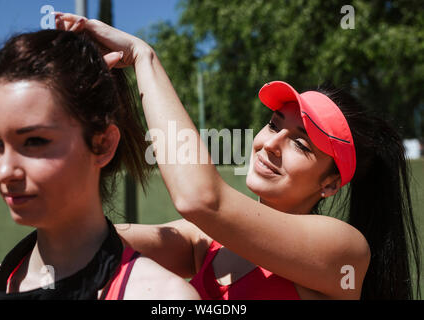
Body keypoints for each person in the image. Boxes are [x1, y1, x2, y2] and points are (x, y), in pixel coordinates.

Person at [55, 13, 421, 300]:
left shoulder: (345, 250)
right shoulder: (205, 240)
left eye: (301, 144)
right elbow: (87, 244)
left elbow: (200, 198)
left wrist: (143, 58)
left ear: (330, 184)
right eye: (274, 125)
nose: (271, 144)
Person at [0, 29, 199, 300]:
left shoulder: (160, 296)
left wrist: (143, 56)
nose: (4, 171)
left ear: (103, 145)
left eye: (34, 141)